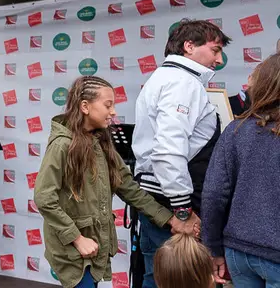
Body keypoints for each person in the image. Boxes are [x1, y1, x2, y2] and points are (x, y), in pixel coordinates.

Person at [35, 76, 193, 288]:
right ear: (85, 106)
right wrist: (77, 239)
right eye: (108, 105)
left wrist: (171, 220)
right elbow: (44, 198)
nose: (113, 112)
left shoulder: (102, 144)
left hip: (95, 246)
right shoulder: (62, 145)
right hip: (72, 250)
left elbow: (130, 190)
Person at [132, 19, 230, 288]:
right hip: (170, 205)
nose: (219, 59)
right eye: (215, 50)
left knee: (160, 276)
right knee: (178, 281)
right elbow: (167, 150)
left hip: (161, 200)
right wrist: (183, 211)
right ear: (189, 46)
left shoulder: (167, 78)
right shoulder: (181, 82)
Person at [201, 53, 280, 287]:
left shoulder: (237, 130)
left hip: (239, 252)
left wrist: (213, 247)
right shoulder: (237, 131)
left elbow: (213, 194)